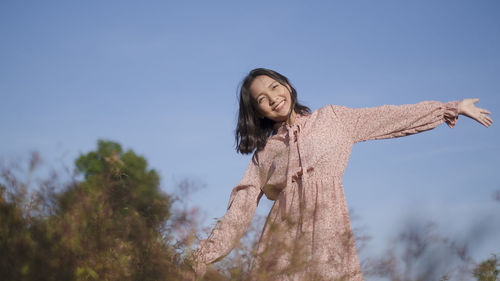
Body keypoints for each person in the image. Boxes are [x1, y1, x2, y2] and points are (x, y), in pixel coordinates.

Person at [190, 68, 492, 281]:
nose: (272, 97)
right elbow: (239, 210)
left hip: (329, 233)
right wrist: (202, 258)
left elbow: (391, 117)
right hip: (280, 244)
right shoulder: (265, 153)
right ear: (258, 112)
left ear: (286, 85)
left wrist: (449, 109)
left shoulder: (334, 118)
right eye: (260, 99)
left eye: (273, 86)